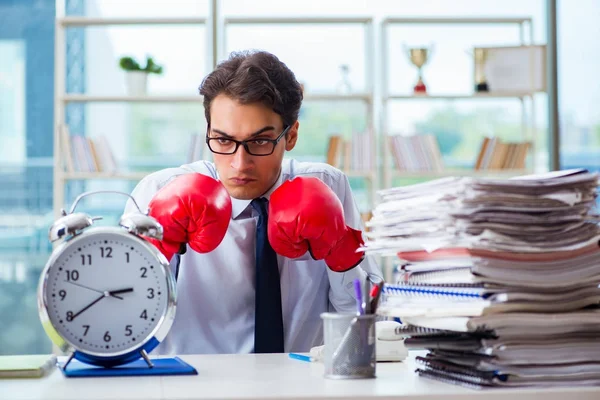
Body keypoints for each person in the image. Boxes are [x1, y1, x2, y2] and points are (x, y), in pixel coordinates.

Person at [124, 50, 382, 355]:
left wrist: (342, 253)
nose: (239, 163)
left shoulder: (328, 186)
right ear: (208, 132)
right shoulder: (159, 190)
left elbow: (368, 327)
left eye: (259, 141)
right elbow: (121, 323)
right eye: (223, 140)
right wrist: (158, 254)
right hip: (193, 386)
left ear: (291, 135)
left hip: (300, 386)